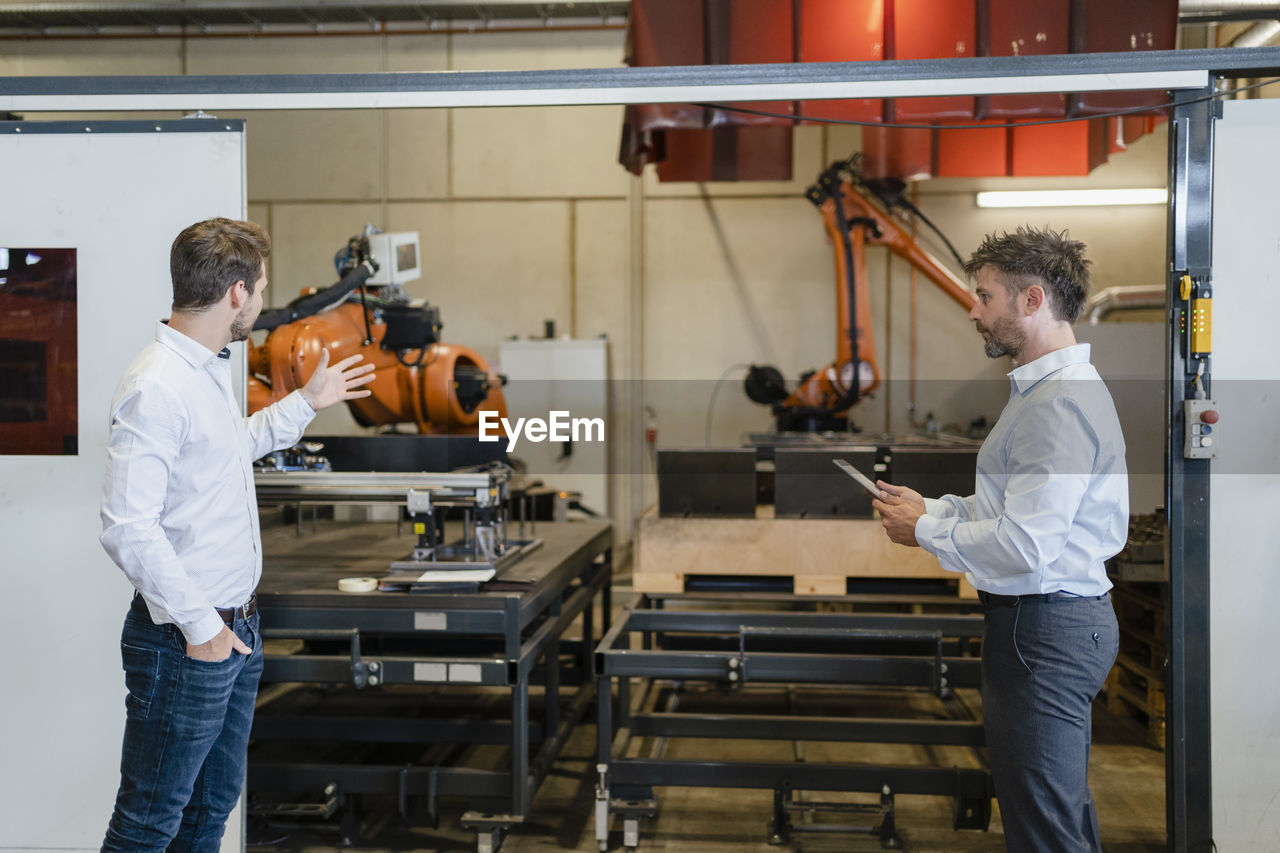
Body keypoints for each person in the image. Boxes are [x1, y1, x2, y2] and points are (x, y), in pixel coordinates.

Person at [99, 218, 375, 852]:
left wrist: (307, 401)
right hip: (188, 640)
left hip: (235, 631)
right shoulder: (156, 386)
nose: (261, 300)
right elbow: (127, 529)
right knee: (148, 821)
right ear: (235, 294)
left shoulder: (205, 369)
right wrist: (203, 629)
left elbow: (229, 450)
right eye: (261, 289)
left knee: (209, 810)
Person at [873, 226, 1127, 853]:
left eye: (984, 296)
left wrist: (926, 531)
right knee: (1051, 812)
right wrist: (931, 507)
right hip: (1044, 626)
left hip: (1044, 631)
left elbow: (1027, 546)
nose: (973, 310)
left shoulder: (1057, 404)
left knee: (1045, 827)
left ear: (1032, 300)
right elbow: (1007, 509)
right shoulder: (1041, 393)